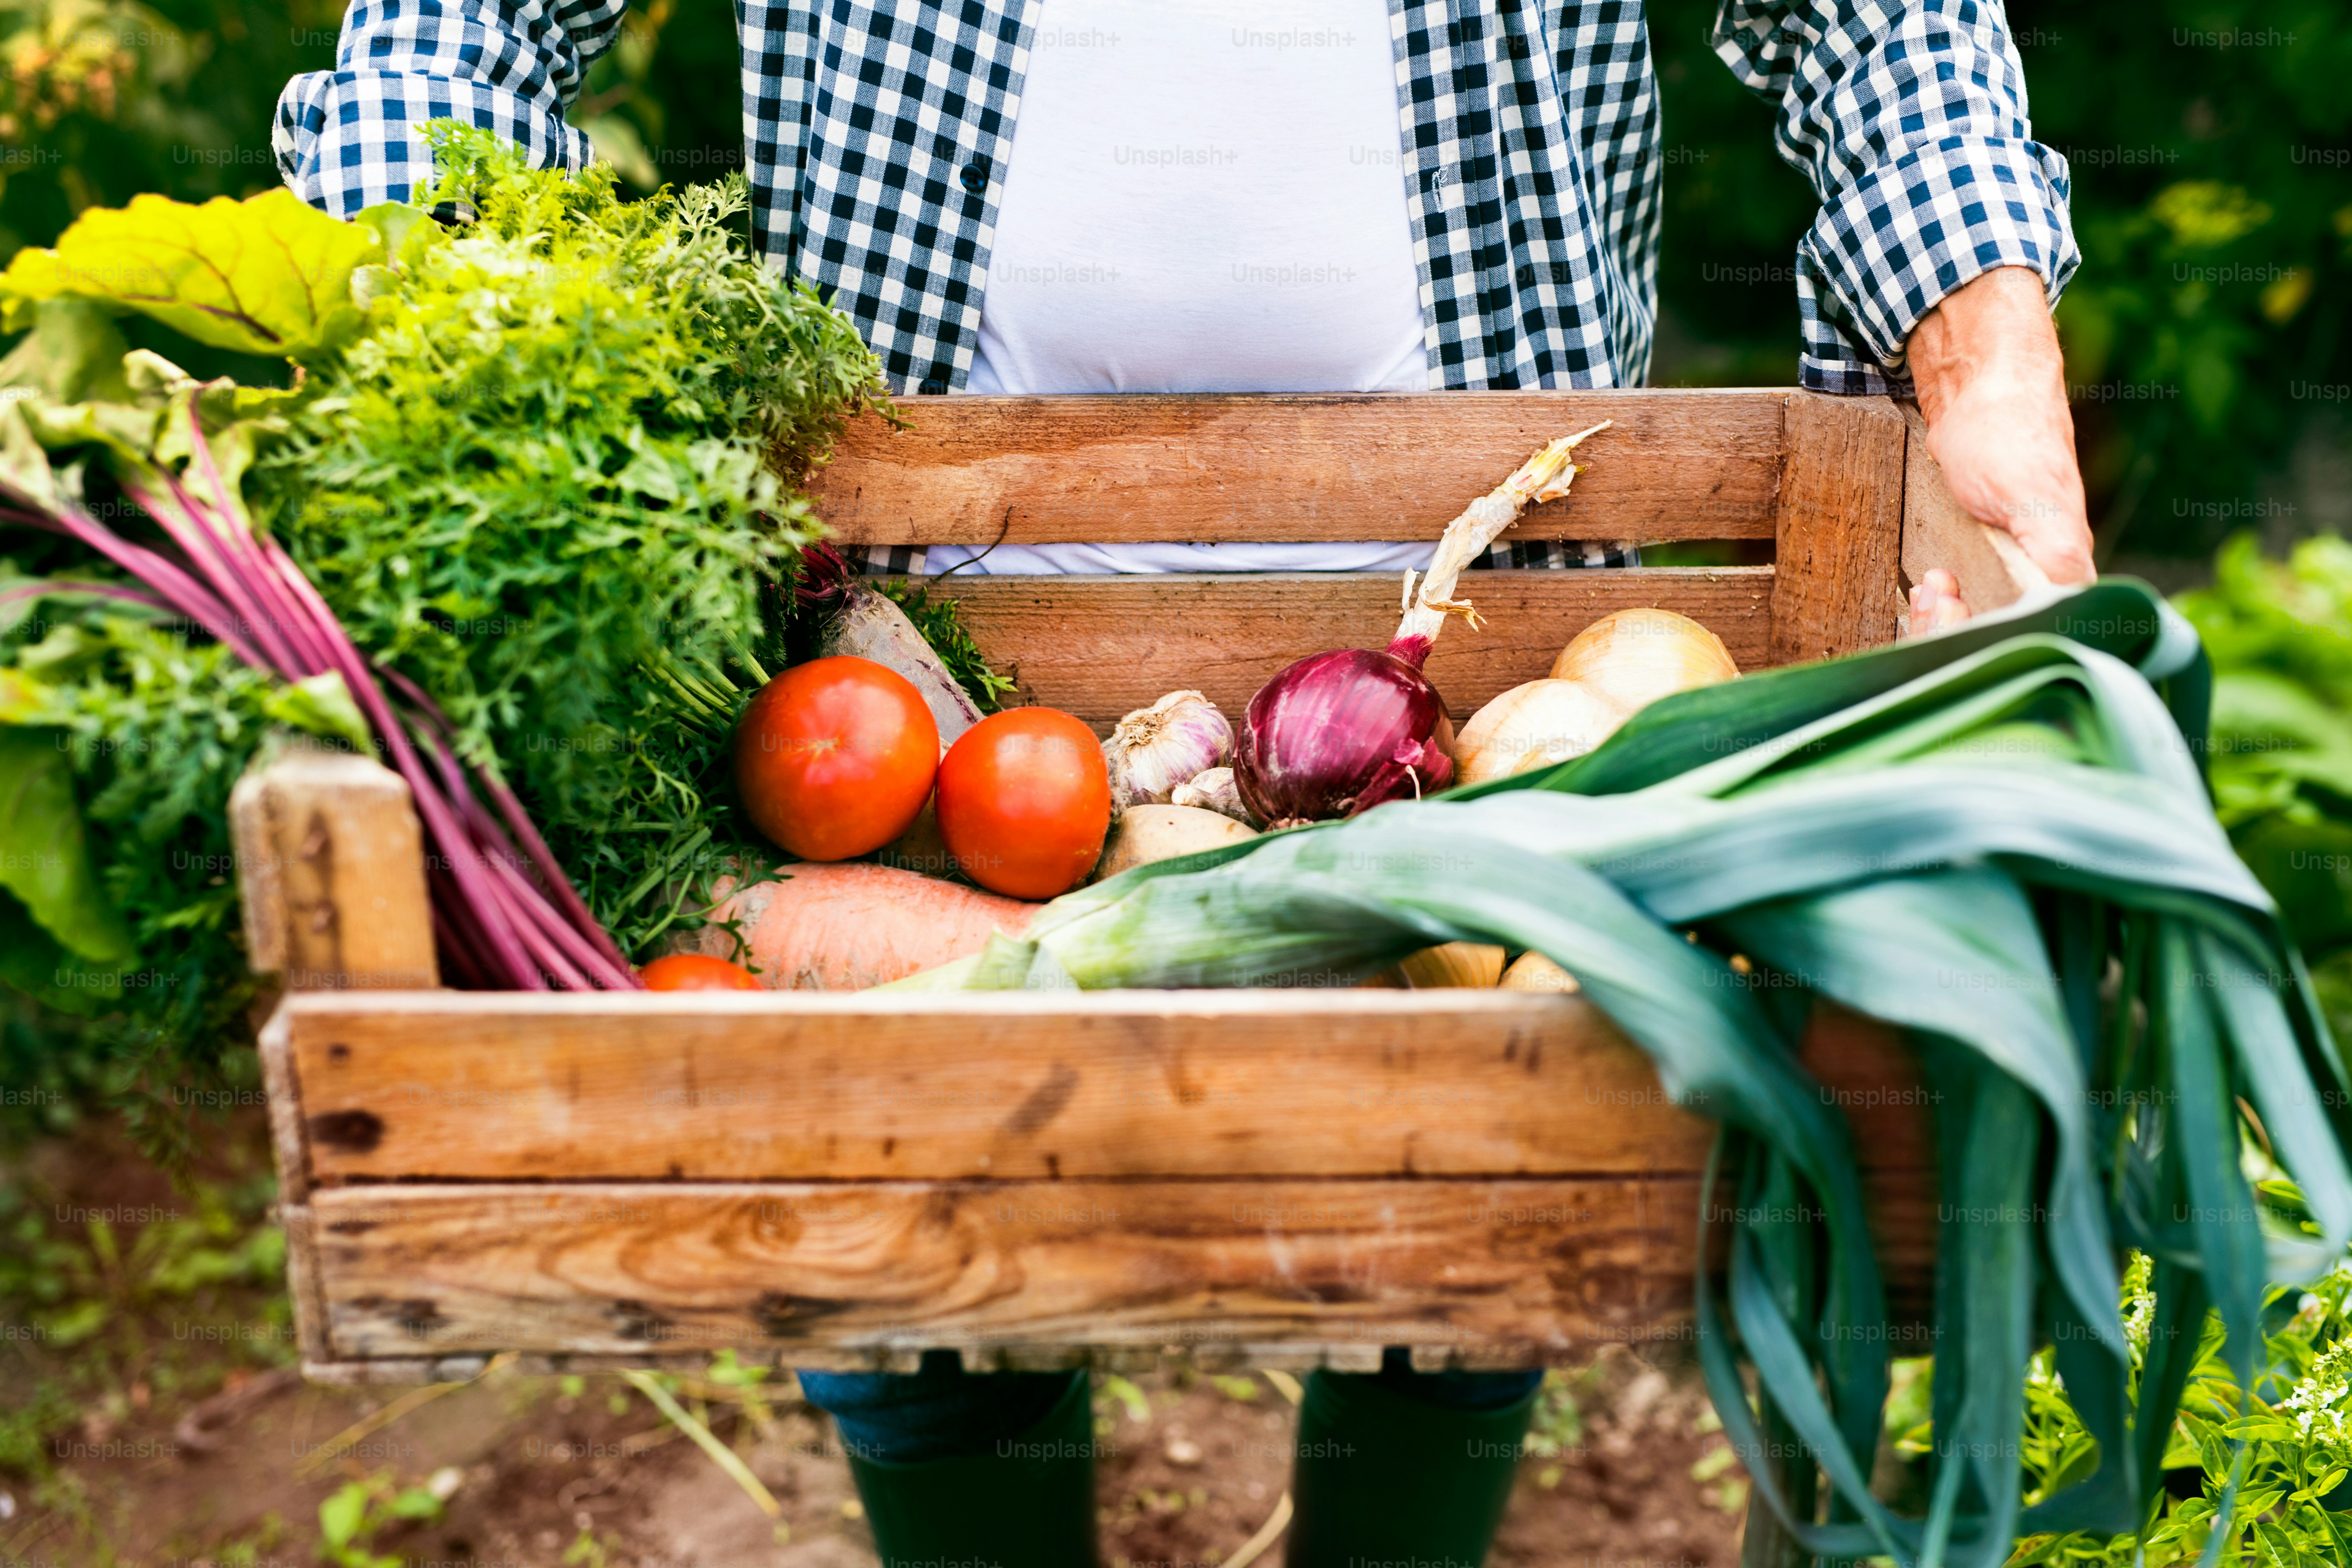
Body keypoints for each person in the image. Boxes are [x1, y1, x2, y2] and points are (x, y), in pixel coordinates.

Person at [276, 2, 2093, 1561]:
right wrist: (428, 357)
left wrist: (1987, 352)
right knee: (912, 1222)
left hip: (1468, 598)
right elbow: (466, 24)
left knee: (1472, 1182)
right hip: (919, 619)